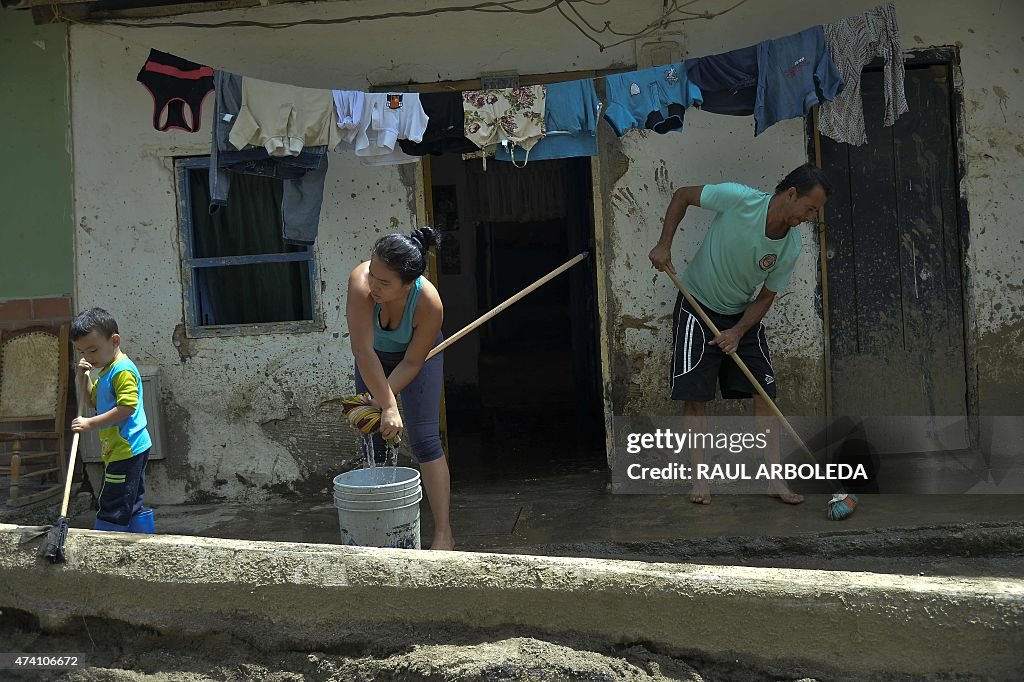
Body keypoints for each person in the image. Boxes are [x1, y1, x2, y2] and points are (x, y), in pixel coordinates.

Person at [648, 164, 831, 506]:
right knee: (695, 395)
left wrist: (737, 331)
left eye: (815, 211)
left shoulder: (790, 246)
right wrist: (663, 244)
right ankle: (700, 481)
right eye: (810, 207)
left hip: (742, 317)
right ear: (791, 194)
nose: (810, 217)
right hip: (696, 304)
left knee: (764, 392)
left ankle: (774, 481)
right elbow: (683, 195)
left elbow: (765, 297)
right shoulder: (739, 199)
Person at [346, 227, 454, 550]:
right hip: (373, 359)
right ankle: (379, 533)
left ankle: (444, 535)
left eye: (384, 282)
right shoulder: (359, 282)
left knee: (425, 438)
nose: (373, 285)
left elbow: (411, 363)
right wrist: (384, 406)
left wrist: (387, 404)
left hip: (416, 359)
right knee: (375, 438)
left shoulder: (429, 303)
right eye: (373, 274)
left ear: (408, 284)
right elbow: (363, 352)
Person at [70, 307, 155, 533]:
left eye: (93, 350)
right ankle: (142, 542)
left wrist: (90, 423)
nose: (88, 358)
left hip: (128, 447)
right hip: (118, 448)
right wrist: (82, 377)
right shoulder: (106, 370)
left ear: (114, 340)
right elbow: (91, 401)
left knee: (113, 503)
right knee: (130, 501)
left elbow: (127, 407)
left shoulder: (122, 370)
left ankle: (105, 545)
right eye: (82, 353)